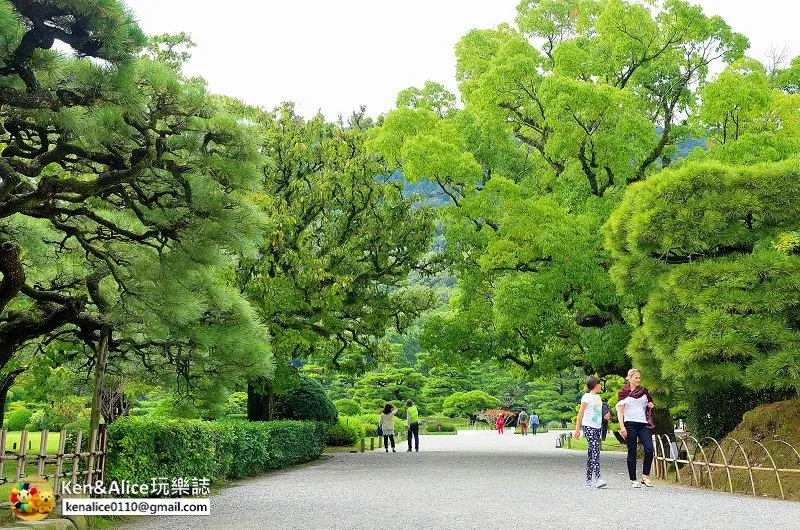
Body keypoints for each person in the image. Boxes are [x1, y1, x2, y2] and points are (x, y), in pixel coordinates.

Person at [616, 368, 656, 488]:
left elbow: (649, 403)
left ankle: (645, 476)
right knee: (632, 451)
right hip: (630, 424)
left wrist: (650, 405)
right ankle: (633, 479)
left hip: (643, 424)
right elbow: (620, 411)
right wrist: (622, 427)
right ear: (630, 378)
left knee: (649, 449)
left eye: (639, 377)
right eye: (636, 378)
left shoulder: (644, 391)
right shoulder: (624, 392)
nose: (638, 380)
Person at [574, 376, 607, 488]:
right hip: (589, 427)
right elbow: (580, 413)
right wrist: (577, 429)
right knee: (595, 451)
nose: (601, 386)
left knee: (591, 453)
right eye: (599, 384)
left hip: (597, 427)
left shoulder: (598, 398)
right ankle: (598, 478)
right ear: (595, 385)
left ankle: (588, 479)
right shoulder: (586, 397)